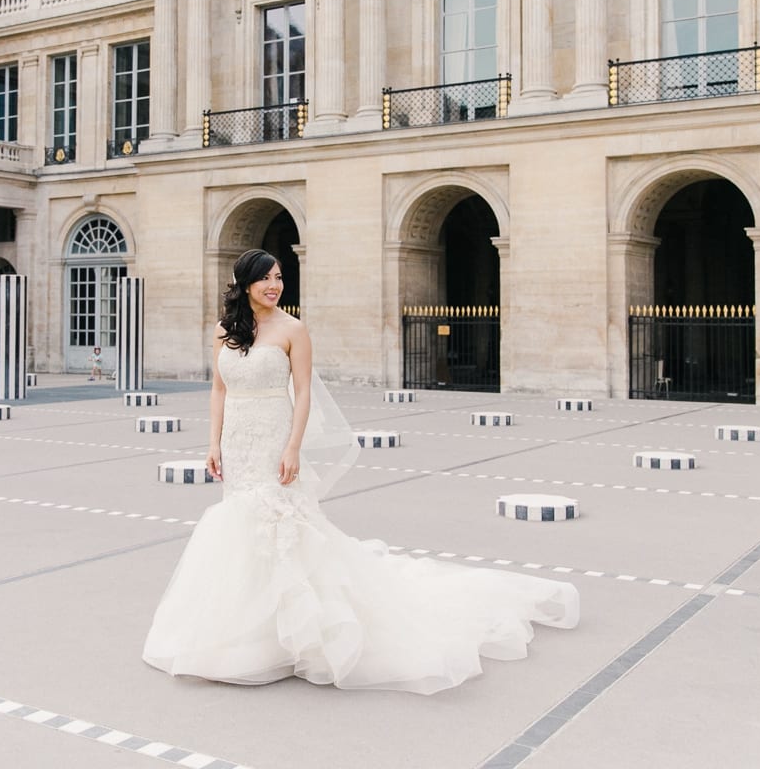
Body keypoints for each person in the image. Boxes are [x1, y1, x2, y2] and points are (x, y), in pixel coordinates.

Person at [142, 249, 579, 694]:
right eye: (266, 279)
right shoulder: (225, 331)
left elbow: (305, 392)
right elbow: (219, 388)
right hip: (237, 443)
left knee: (282, 526)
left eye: (279, 278)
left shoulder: (293, 329)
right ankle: (247, 632)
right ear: (245, 283)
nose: (275, 286)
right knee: (242, 527)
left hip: (275, 436)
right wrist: (212, 442)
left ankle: (296, 635)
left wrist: (293, 446)